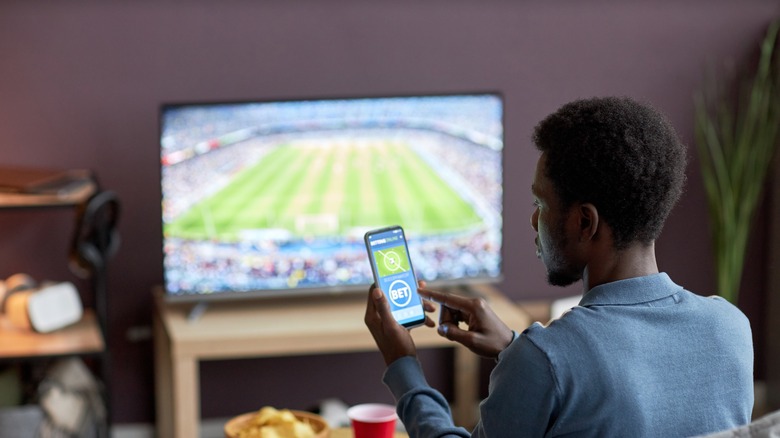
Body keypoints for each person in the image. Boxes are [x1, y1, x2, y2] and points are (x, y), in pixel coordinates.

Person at [363, 96, 754, 437]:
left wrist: (404, 366)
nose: (534, 222)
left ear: (585, 222)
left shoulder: (544, 361)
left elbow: (569, 373)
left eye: (541, 206)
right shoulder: (731, 326)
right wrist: (513, 349)